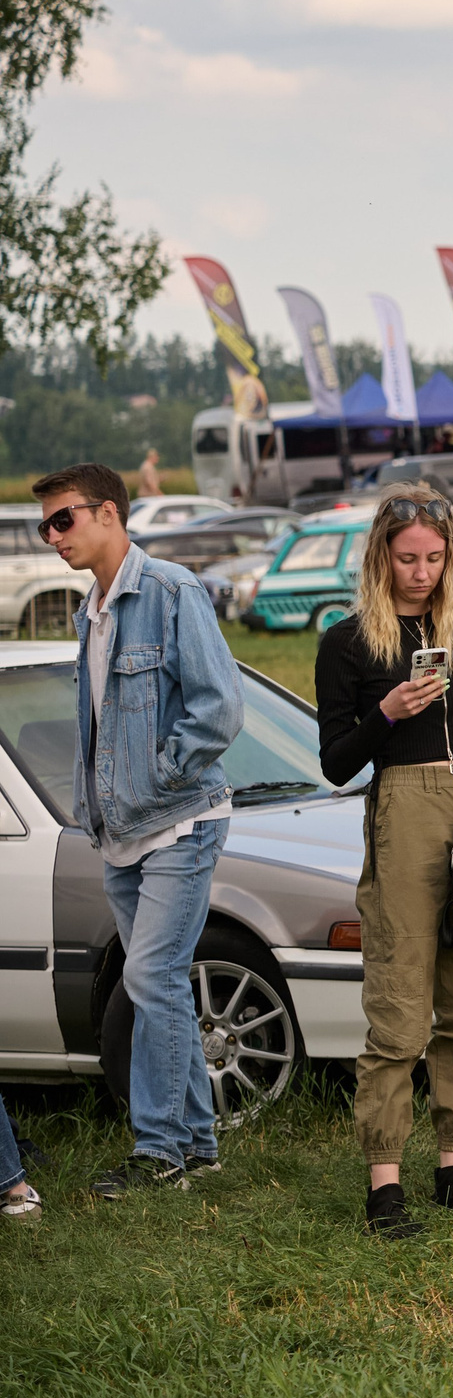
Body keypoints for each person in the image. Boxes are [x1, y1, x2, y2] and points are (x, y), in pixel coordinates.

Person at [314, 485, 453, 1236]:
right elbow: (336, 762)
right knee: (399, 1007)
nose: (422, 572)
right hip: (404, 810)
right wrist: (387, 713)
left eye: (434, 558)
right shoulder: (346, 643)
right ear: (380, 558)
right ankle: (385, 1186)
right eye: (407, 559)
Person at [39, 462, 242, 1199]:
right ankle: (197, 1145)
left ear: (109, 513)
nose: (53, 536)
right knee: (163, 988)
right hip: (118, 829)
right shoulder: (89, 611)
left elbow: (219, 707)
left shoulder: (170, 591)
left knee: (150, 977)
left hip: (179, 821)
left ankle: (158, 1151)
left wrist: (159, 774)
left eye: (63, 519)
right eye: (44, 525)